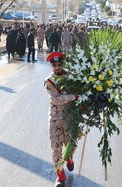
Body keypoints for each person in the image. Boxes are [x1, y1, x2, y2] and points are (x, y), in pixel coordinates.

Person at [44, 52, 78, 187]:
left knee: (72, 145)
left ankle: (69, 158)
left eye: (59, 65)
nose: (57, 68)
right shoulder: (49, 82)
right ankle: (60, 176)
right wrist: (74, 97)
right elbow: (57, 100)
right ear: (52, 67)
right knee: (56, 148)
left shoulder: (70, 78)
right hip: (55, 119)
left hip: (70, 119)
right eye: (55, 65)